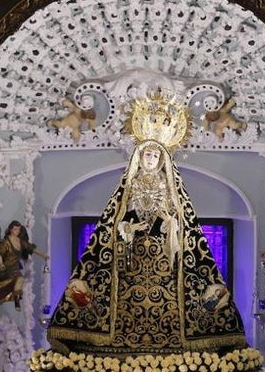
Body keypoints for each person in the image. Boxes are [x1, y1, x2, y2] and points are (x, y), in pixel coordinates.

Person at [47, 92, 246, 356]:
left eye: (155, 156)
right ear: (139, 158)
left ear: (162, 160)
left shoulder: (169, 187)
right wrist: (128, 230)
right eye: (147, 155)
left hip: (164, 256)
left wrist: (170, 225)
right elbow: (117, 220)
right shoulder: (130, 185)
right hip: (132, 256)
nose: (150, 159)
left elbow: (181, 222)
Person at [0, 220, 48, 310]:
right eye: (15, 229)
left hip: (16, 268)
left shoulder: (20, 241)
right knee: (14, 282)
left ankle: (16, 300)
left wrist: (43, 255)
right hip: (7, 268)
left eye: (18, 229)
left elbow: (31, 248)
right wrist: (1, 264)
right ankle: (13, 300)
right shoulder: (6, 242)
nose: (17, 231)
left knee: (19, 280)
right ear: (10, 229)